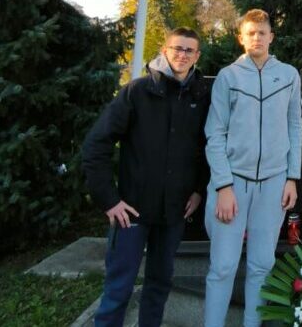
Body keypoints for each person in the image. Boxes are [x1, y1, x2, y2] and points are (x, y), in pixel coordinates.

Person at [82, 27, 210, 327]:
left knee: (159, 284)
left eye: (189, 50)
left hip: (173, 212)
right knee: (119, 289)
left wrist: (198, 190)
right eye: (177, 48)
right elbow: (95, 144)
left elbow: (207, 148)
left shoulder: (200, 96)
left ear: (197, 56)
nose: (182, 55)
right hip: (131, 211)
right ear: (165, 50)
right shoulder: (137, 91)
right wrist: (109, 200)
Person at [204, 9, 302, 327]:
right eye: (250, 33)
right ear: (241, 38)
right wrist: (222, 186)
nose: (257, 38)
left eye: (262, 32)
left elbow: (295, 126)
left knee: (261, 263)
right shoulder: (227, 76)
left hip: (274, 183)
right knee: (223, 266)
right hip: (232, 183)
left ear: (271, 36)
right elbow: (214, 133)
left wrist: (292, 177)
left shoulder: (289, 75)